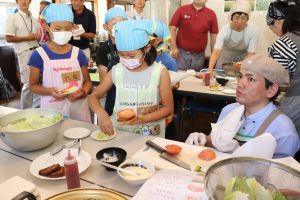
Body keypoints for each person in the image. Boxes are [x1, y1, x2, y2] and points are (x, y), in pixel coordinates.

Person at [185, 55, 299, 158]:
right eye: (240, 76)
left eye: (251, 79)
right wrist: (204, 139)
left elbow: (279, 176)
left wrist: (239, 153)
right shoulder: (229, 110)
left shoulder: (283, 131)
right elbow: (216, 144)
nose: (240, 84)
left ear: (271, 90)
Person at [89, 20, 174, 137]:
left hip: (149, 134)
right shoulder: (117, 70)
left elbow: (168, 108)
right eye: (121, 55)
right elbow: (93, 97)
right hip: (120, 133)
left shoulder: (159, 72)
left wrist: (143, 119)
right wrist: (102, 114)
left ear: (147, 48)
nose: (126, 59)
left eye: (131, 55)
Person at [28, 4, 92, 122]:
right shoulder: (39, 55)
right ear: (47, 27)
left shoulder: (78, 53)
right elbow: (32, 86)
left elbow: (88, 82)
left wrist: (83, 92)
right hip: (52, 109)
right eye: (57, 29)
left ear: (73, 28)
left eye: (67, 29)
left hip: (78, 107)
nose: (63, 32)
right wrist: (49, 91)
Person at [267, 1, 300, 139]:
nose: (271, 30)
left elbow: (278, 82)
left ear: (280, 21)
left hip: (295, 103)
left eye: (271, 26)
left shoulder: (284, 44)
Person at [5, 0, 40, 109]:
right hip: (24, 53)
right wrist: (27, 37)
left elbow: (38, 38)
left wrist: (38, 37)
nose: (24, 1)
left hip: (37, 51)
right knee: (28, 84)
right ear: (17, 1)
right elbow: (8, 38)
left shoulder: (34, 20)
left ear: (30, 1)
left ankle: (38, 109)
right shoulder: (13, 17)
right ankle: (25, 111)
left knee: (38, 82)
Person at [208, 0, 259, 73]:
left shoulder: (253, 30)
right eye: (237, 18)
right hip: (223, 62)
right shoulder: (225, 30)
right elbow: (216, 51)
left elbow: (251, 53)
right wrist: (210, 70)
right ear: (231, 18)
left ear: (247, 18)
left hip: (242, 62)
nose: (240, 21)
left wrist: (240, 65)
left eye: (243, 18)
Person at [96, 7, 128, 116]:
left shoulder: (132, 46)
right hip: (113, 96)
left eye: (123, 23)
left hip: (132, 93)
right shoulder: (103, 49)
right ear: (106, 27)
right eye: (114, 23)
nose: (119, 27)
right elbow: (103, 80)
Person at [169, 0, 218, 71]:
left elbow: (213, 36)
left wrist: (213, 56)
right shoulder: (182, 9)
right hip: (181, 55)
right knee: (179, 79)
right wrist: (174, 48)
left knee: (195, 79)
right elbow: (172, 28)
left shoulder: (211, 14)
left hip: (199, 57)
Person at [267, 0, 299, 78]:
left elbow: (278, 81)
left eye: (272, 28)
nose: (274, 32)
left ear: (278, 22)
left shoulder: (282, 45)